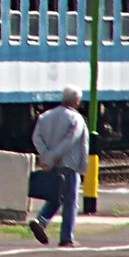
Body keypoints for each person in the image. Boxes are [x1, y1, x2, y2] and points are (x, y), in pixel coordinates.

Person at [29, 84, 90, 247]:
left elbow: (36, 138)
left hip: (51, 164)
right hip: (69, 164)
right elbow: (71, 141)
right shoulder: (76, 119)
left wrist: (47, 156)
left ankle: (41, 221)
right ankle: (66, 237)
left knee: (56, 196)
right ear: (76, 100)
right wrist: (56, 156)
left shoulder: (45, 116)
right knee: (70, 201)